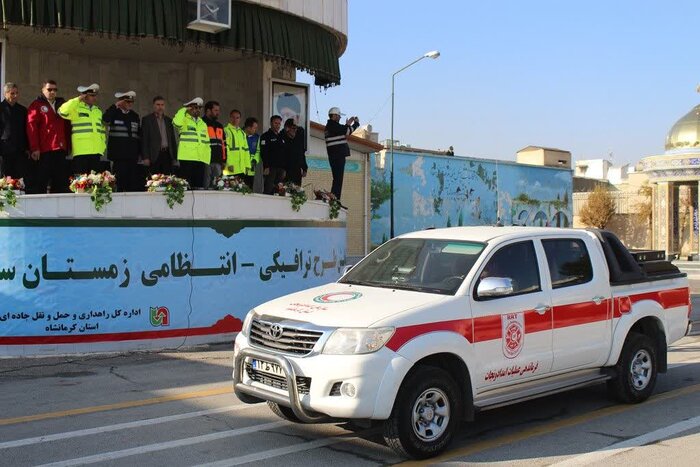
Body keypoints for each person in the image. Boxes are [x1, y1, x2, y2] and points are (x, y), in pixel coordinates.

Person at [25, 79, 71, 193]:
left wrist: (68, 146)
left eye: (55, 89)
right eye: (49, 89)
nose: (52, 92)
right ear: (43, 90)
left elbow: (68, 126)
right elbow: (31, 128)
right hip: (44, 150)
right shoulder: (36, 105)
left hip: (60, 149)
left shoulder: (62, 104)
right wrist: (34, 148)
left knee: (60, 183)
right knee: (41, 182)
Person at [58, 83, 105, 176]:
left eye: (95, 95)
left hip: (96, 152)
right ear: (84, 96)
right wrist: (78, 99)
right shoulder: (76, 108)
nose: (94, 98)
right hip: (81, 152)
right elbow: (62, 111)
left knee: (96, 183)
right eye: (92, 96)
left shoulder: (98, 110)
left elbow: (102, 131)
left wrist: (102, 147)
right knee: (80, 184)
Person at [103, 91, 141, 191]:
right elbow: (105, 120)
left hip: (132, 156)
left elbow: (138, 135)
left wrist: (140, 154)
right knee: (118, 184)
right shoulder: (114, 113)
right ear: (121, 102)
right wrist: (115, 106)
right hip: (118, 157)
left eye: (131, 102)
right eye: (127, 102)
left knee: (132, 184)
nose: (130, 104)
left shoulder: (134, 116)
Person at [172, 97, 209, 189]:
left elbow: (206, 142)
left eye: (200, 108)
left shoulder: (203, 123)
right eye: (195, 107)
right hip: (187, 158)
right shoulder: (184, 120)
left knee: (198, 186)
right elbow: (176, 123)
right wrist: (184, 109)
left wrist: (206, 158)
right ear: (190, 108)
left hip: (200, 158)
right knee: (186, 186)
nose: (198, 110)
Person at [324, 107, 359, 201]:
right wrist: (356, 124)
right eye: (339, 116)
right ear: (334, 115)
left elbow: (342, 130)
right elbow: (347, 131)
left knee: (337, 179)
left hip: (335, 155)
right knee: (338, 179)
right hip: (337, 156)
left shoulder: (331, 126)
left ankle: (334, 198)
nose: (340, 118)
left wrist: (347, 124)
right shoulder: (332, 125)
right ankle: (335, 199)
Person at [141, 96, 177, 176]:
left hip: (167, 155)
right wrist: (145, 157)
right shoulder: (147, 120)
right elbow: (144, 140)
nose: (160, 107)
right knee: (154, 181)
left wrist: (174, 157)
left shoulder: (169, 120)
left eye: (162, 105)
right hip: (153, 155)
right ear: (153, 106)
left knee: (167, 179)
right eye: (158, 105)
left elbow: (172, 139)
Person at [0, 82, 28, 179]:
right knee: (5, 179)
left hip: (20, 151)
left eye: (16, 93)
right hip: (4, 151)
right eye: (12, 93)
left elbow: (26, 131)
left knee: (19, 179)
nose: (15, 96)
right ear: (5, 93)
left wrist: (28, 148)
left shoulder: (23, 110)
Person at [202, 100, 226, 188]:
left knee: (218, 185)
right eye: (215, 110)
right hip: (206, 160)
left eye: (218, 110)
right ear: (208, 111)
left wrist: (224, 160)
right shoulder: (201, 123)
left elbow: (223, 144)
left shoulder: (220, 125)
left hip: (218, 161)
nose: (218, 113)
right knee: (206, 185)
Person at [261, 115, 286, 194]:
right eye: (276, 123)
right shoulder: (265, 136)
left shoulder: (281, 137)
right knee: (268, 189)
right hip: (270, 168)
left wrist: (284, 168)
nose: (278, 125)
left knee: (279, 190)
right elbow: (263, 152)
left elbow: (283, 153)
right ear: (271, 123)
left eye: (279, 124)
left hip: (280, 169)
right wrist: (266, 166)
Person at [223, 109, 250, 183]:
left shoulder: (242, 133)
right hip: (231, 167)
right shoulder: (226, 131)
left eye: (237, 118)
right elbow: (226, 149)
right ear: (229, 118)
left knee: (240, 190)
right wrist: (228, 164)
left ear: (240, 119)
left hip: (242, 168)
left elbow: (246, 150)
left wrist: (247, 165)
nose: (235, 120)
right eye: (233, 117)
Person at [282, 118, 307, 185]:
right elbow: (280, 156)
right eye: (293, 128)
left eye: (296, 128)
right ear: (287, 128)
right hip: (286, 171)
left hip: (297, 171)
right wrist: (282, 169)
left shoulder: (298, 140)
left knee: (296, 191)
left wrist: (304, 168)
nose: (295, 130)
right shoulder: (281, 138)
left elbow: (301, 154)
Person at [243, 117, 262, 191]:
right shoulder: (240, 135)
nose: (256, 130)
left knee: (249, 188)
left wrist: (254, 161)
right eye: (254, 128)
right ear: (248, 128)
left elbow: (258, 151)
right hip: (241, 167)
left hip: (251, 168)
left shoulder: (257, 137)